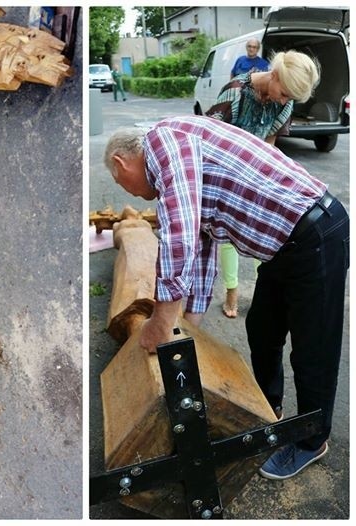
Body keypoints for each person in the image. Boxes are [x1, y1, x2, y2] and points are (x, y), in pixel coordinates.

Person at [104, 114, 349, 480]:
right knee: (262, 328)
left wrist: (162, 319)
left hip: (315, 234)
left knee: (313, 350)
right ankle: (269, 417)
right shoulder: (176, 154)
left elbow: (180, 233)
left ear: (122, 163)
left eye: (122, 183)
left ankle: (311, 442)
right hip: (284, 246)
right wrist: (189, 326)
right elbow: (201, 247)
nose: (131, 193)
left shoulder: (163, 143)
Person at [207, 50, 320, 318]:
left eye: (290, 98)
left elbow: (269, 143)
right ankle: (232, 291)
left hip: (257, 173)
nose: (284, 101)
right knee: (227, 235)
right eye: (284, 93)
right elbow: (212, 142)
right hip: (226, 172)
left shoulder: (284, 101)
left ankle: (262, 289)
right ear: (275, 74)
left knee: (266, 230)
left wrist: (262, 180)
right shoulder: (234, 93)